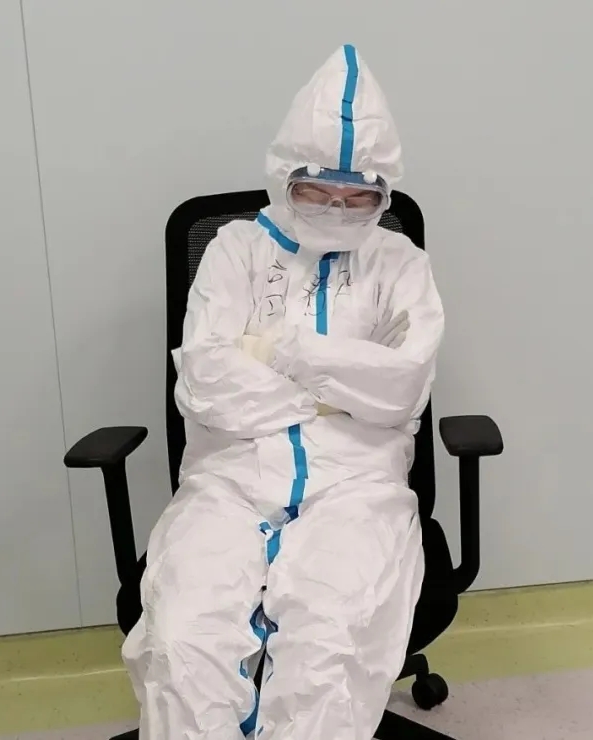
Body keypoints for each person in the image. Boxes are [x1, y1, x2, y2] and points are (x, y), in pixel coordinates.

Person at [122, 44, 445, 740]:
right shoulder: (235, 250)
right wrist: (344, 387)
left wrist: (276, 352)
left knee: (329, 647)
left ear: (384, 193)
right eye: (317, 192)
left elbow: (404, 386)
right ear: (284, 177)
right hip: (230, 481)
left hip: (358, 488)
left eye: (359, 197)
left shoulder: (400, 263)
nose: (337, 208)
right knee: (183, 640)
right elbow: (207, 385)